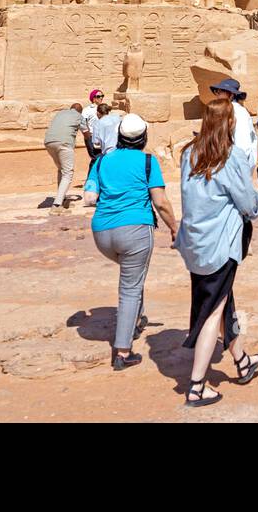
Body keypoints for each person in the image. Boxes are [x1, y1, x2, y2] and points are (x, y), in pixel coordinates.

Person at [176, 97, 258, 407]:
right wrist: (257, 207)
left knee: (222, 300)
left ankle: (242, 361)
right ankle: (198, 385)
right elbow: (246, 202)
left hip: (194, 243)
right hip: (220, 243)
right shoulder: (230, 157)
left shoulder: (188, 153)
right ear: (230, 123)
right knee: (212, 311)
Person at [83, 113, 177, 370]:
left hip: (102, 232)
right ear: (144, 137)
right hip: (134, 229)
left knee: (132, 277)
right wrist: (174, 227)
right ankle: (123, 351)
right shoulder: (147, 161)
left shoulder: (101, 161)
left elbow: (89, 196)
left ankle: (136, 317)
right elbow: (160, 202)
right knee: (130, 287)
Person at [43, 102, 89, 210]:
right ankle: (57, 205)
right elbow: (86, 133)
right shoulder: (79, 116)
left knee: (61, 169)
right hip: (64, 144)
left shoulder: (60, 113)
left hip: (49, 142)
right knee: (68, 173)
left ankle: (62, 198)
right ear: (80, 111)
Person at [209, 78, 258, 165]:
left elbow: (243, 146)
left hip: (236, 168)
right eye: (216, 92)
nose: (217, 95)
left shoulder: (239, 113)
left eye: (219, 92)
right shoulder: (228, 110)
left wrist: (234, 169)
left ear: (231, 95)